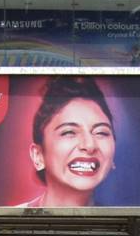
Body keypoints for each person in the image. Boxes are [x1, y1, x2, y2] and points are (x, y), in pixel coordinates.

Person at [18, 76, 116, 208]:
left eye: (101, 133)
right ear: (38, 155)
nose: (89, 145)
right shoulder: (2, 225)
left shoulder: (129, 225)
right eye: (69, 132)